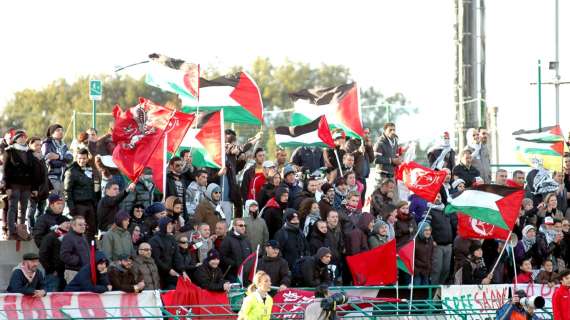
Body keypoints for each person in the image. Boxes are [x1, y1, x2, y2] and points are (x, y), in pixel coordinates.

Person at [3, 129, 40, 240]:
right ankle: (11, 231)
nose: (23, 139)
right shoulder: (9, 151)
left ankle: (21, 230)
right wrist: (7, 187)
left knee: (23, 208)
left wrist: (34, 188)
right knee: (12, 207)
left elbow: (33, 172)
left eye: (24, 137)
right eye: (20, 137)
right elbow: (6, 170)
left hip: (27, 186)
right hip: (14, 185)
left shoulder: (29, 153)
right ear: (15, 139)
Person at [64, 148, 97, 240]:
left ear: (87, 159)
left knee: (91, 229)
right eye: (79, 158)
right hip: (78, 205)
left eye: (84, 158)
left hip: (90, 204)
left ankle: (91, 250)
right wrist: (71, 208)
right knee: (79, 230)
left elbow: (93, 188)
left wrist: (95, 204)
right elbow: (67, 191)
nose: (81, 160)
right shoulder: (71, 171)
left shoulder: (90, 170)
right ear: (76, 158)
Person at [427, 193, 456, 285]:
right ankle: (433, 291)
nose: (438, 198)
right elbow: (426, 227)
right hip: (437, 245)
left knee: (446, 269)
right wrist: (432, 240)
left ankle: (440, 291)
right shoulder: (429, 210)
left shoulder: (446, 210)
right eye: (435, 196)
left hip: (448, 245)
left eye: (439, 196)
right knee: (437, 270)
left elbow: (452, 225)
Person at [149, 217, 181, 289]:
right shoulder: (154, 240)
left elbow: (177, 256)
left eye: (171, 224)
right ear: (163, 225)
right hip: (160, 273)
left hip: (171, 271)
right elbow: (156, 259)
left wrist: (182, 270)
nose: (170, 226)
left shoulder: (172, 238)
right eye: (168, 224)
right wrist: (168, 270)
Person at [26, 136, 50, 232]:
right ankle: (31, 228)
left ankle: (38, 228)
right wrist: (33, 189)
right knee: (31, 210)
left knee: (41, 210)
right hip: (33, 189)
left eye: (40, 145)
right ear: (30, 145)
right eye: (36, 145)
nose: (39, 147)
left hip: (43, 189)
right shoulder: (28, 158)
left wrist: (49, 187)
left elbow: (45, 174)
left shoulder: (41, 157)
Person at [42, 124, 73, 196]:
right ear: (52, 133)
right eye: (58, 130)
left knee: (61, 202)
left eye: (62, 130)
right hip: (52, 177)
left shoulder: (63, 145)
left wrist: (59, 157)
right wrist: (63, 160)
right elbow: (48, 159)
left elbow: (70, 158)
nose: (61, 132)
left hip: (62, 177)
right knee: (53, 202)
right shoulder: (47, 144)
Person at [39, 220, 70, 292]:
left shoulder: (71, 237)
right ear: (59, 224)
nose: (68, 225)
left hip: (66, 273)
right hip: (54, 274)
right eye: (66, 222)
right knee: (51, 296)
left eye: (70, 223)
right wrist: (51, 270)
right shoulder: (50, 236)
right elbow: (43, 255)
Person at [60, 215, 90, 283]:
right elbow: (64, 255)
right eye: (80, 225)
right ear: (73, 226)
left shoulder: (83, 236)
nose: (83, 226)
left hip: (84, 271)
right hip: (73, 272)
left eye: (84, 224)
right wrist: (79, 260)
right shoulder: (68, 237)